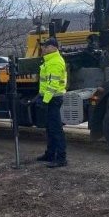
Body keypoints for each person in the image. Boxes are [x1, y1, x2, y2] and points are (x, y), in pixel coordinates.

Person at [36, 38, 68, 168]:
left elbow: (53, 85)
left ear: (54, 47)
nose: (44, 48)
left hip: (52, 99)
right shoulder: (50, 60)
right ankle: (50, 154)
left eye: (46, 46)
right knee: (50, 128)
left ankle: (61, 158)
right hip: (50, 98)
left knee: (56, 129)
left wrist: (45, 100)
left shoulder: (54, 62)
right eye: (44, 46)